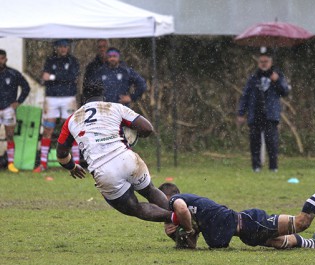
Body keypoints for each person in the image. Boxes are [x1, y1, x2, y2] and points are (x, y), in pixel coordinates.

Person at [56, 79, 191, 228]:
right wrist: (134, 136)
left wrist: (72, 167)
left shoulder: (72, 120)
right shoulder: (116, 108)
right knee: (150, 191)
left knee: (135, 208)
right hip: (127, 159)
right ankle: (185, 217)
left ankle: (176, 218)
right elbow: (147, 128)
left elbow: (61, 154)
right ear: (103, 96)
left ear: (82, 97)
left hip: (104, 171)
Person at [160, 167, 315, 249]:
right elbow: (192, 243)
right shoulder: (193, 210)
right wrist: (181, 236)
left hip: (251, 222)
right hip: (248, 234)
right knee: (282, 243)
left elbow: (181, 209)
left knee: (302, 222)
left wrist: (185, 229)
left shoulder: (176, 200)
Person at [237, 47, 290, 172]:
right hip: (255, 113)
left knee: (272, 141)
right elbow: (245, 95)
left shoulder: (277, 75)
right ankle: (256, 166)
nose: (263, 64)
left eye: (266, 62)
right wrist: (241, 113)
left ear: (270, 62)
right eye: (261, 62)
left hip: (271, 114)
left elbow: (285, 91)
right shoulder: (253, 77)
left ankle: (273, 167)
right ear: (258, 63)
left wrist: (277, 81)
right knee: (254, 142)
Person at [34, 39, 80, 173]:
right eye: (60, 46)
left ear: (68, 48)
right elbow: (44, 78)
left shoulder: (73, 61)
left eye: (65, 46)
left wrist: (53, 77)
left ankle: (76, 163)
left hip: (68, 98)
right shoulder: (50, 60)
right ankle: (43, 164)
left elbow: (72, 78)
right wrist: (60, 78)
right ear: (56, 48)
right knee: (47, 130)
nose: (63, 49)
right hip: (51, 98)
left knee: (73, 129)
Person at [0, 49, 30, 173]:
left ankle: (11, 163)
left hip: (8, 108)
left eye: (1, 58)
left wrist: (18, 102)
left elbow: (26, 87)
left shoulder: (13, 73)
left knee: (10, 136)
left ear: (6, 59)